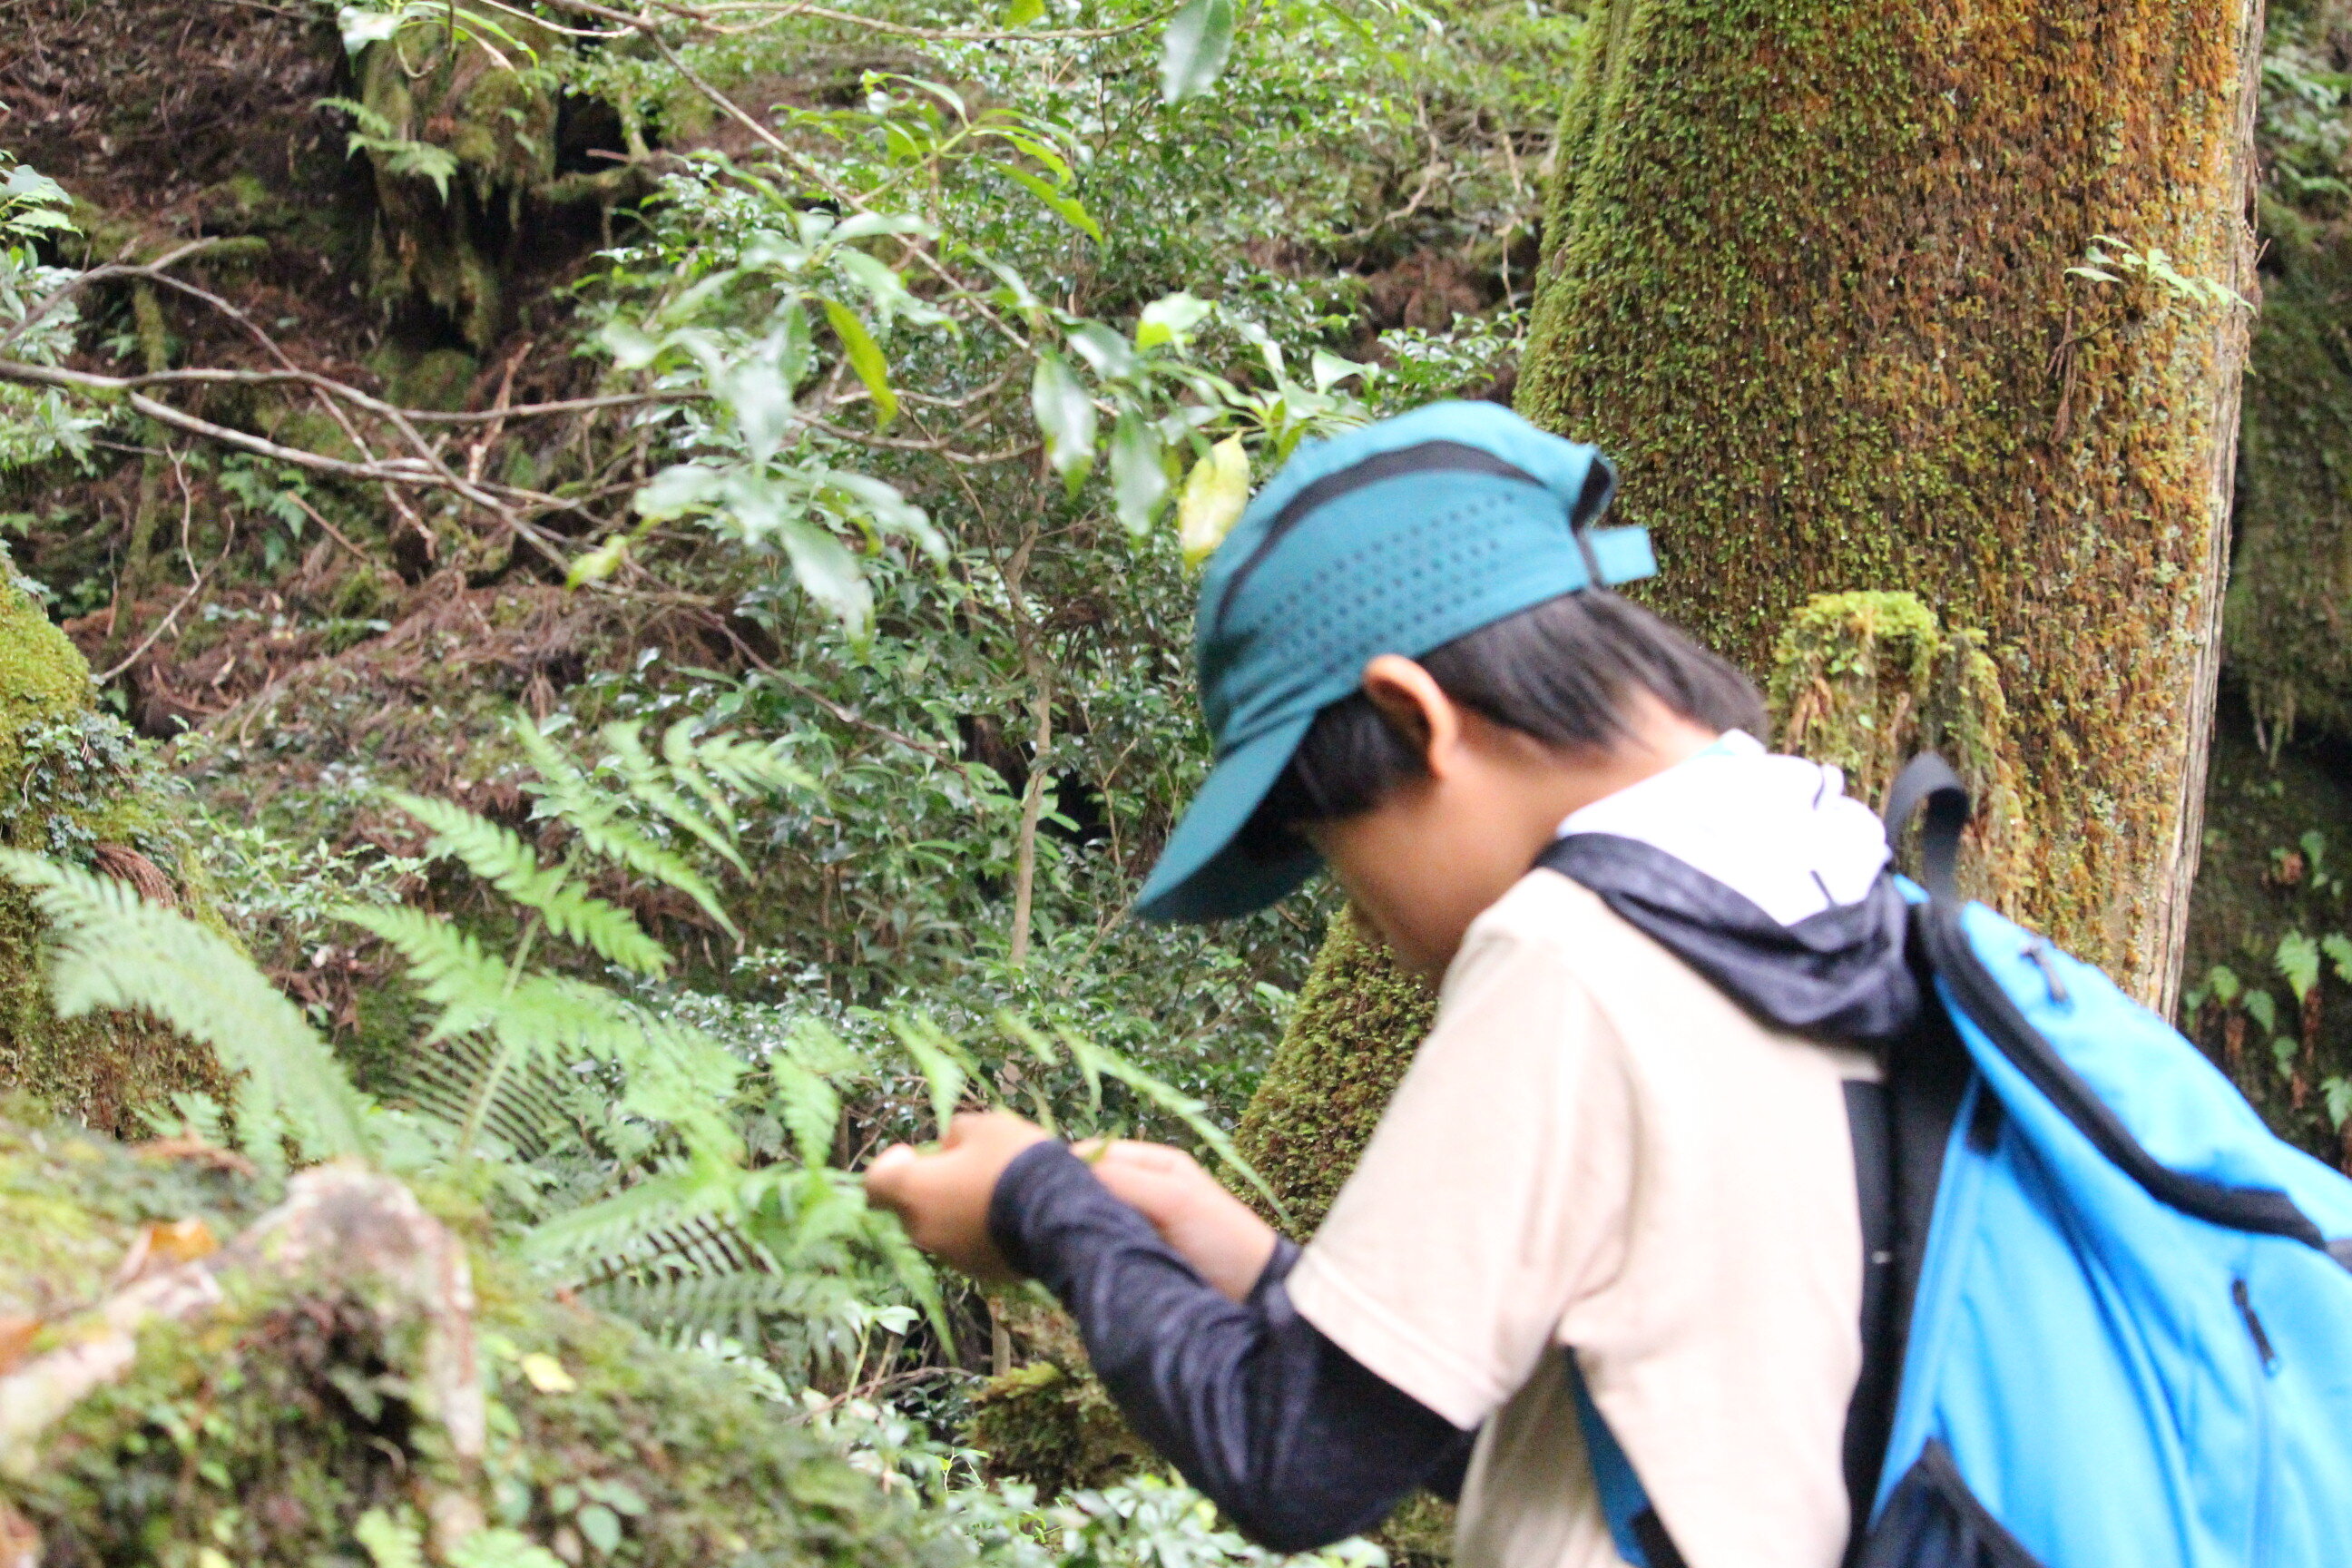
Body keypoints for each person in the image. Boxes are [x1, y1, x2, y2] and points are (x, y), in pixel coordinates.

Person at [866, 401, 1922, 1568]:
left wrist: (1035, 1205)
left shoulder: (1576, 950)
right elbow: (1633, 1451)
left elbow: (1292, 1467)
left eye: (1339, 860)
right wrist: (1262, 1272)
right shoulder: (1825, 876)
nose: (1368, 929)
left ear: (1415, 717)